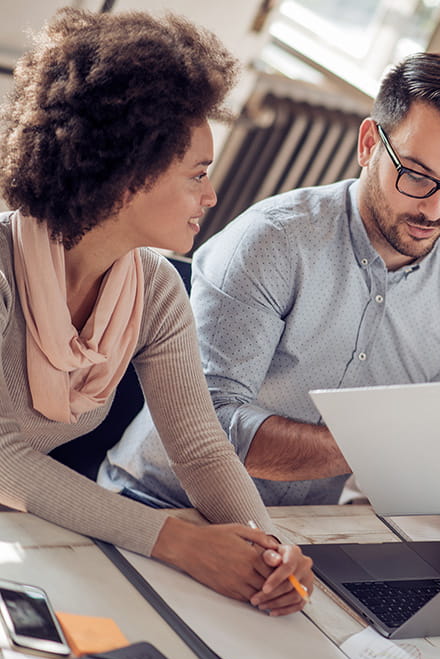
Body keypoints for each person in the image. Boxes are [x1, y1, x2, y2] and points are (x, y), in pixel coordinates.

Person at [99, 52, 440, 535]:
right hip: (160, 508)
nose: (435, 208)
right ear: (369, 143)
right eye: (415, 175)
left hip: (300, 531)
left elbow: (429, 448)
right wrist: (378, 445)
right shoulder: (272, 241)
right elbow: (206, 425)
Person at [0, 8, 311, 615]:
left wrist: (269, 544)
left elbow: (198, 447)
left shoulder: (155, 289)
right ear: (128, 177)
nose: (211, 195)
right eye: (197, 174)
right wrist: (178, 542)